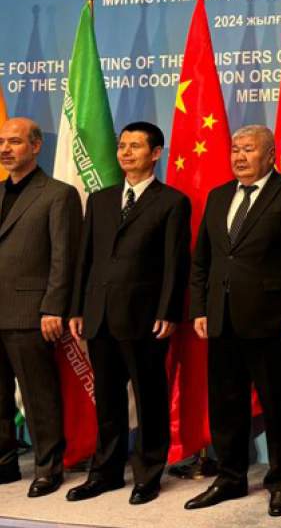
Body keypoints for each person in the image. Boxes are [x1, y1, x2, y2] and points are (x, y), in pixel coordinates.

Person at [186, 125, 281, 517]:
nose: (239, 156)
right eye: (235, 149)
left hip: (273, 322)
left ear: (270, 155)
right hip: (222, 319)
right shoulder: (218, 196)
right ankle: (230, 477)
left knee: (278, 405)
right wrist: (200, 309)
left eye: (248, 150)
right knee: (226, 404)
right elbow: (203, 262)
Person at [67, 122, 190, 505]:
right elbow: (85, 259)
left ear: (156, 153)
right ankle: (105, 473)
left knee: (150, 399)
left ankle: (148, 474)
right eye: (122, 145)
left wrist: (168, 311)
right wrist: (77, 308)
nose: (126, 152)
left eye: (135, 146)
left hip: (145, 318)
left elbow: (175, 263)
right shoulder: (101, 200)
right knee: (107, 400)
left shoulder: (171, 201)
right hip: (99, 315)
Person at [0, 117, 82, 497]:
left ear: (35, 146)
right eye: (2, 142)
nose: (5, 149)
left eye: (14, 142)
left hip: (31, 312)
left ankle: (49, 467)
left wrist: (54, 308)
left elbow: (64, 258)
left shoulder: (57, 194)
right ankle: (5, 463)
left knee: (39, 396)